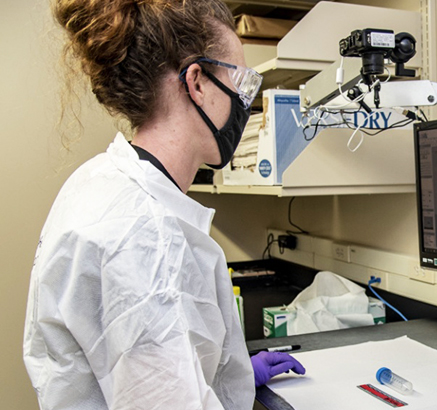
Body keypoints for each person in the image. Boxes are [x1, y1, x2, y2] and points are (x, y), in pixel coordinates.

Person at [23, 0, 304, 408]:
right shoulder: (142, 234)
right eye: (241, 82)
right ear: (198, 82)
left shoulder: (101, 180)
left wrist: (230, 373)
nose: (245, 101)